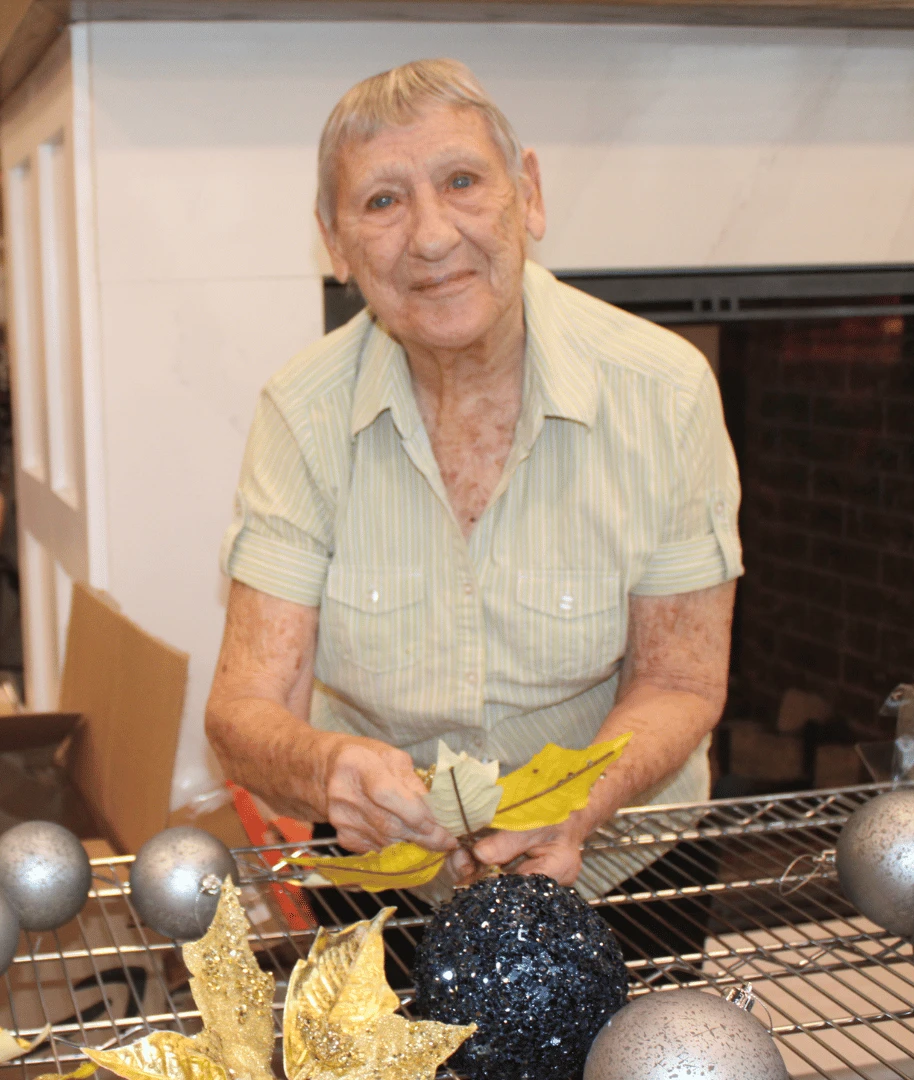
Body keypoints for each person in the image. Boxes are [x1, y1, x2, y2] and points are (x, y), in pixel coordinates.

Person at [206, 59, 742, 924]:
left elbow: (682, 680)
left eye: (461, 181)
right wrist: (328, 769)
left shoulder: (665, 390)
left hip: (620, 873)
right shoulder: (300, 414)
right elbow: (243, 709)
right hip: (391, 892)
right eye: (381, 201)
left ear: (526, 194)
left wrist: (576, 801)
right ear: (335, 242)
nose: (430, 235)